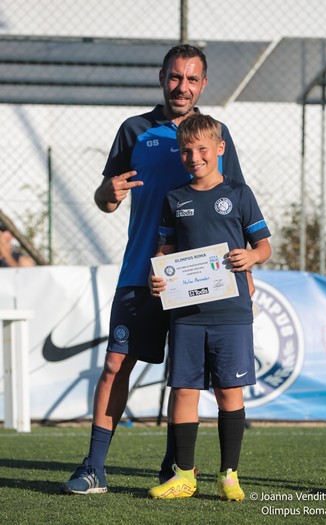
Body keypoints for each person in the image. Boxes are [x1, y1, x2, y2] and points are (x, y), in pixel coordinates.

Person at [60, 44, 248, 495]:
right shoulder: (134, 130)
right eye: (175, 77)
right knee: (115, 365)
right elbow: (106, 200)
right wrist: (108, 191)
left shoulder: (216, 134)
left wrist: (247, 272)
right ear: (162, 77)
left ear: (203, 85)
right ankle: (93, 467)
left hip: (198, 280)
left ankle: (175, 467)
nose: (182, 87)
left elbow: (235, 204)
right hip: (142, 273)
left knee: (185, 378)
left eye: (192, 79)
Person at [148, 114, 271, 500]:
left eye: (202, 148)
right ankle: (184, 475)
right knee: (183, 389)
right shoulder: (174, 198)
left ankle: (228, 475)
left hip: (231, 312)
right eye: (186, 150)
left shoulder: (239, 193)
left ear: (219, 149)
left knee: (229, 392)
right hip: (186, 313)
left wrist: (251, 258)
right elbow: (165, 251)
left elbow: (264, 246)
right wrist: (159, 276)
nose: (194, 156)